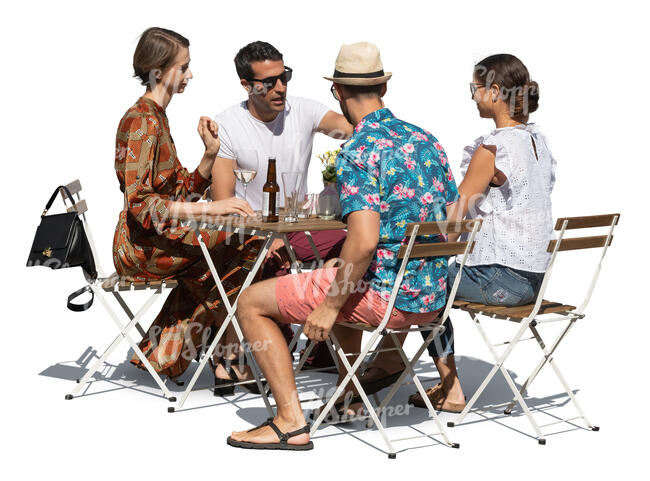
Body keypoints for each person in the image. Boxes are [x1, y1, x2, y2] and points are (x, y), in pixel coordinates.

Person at [226, 42, 458, 451]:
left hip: (387, 301)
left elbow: (365, 242)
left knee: (249, 302)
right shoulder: (428, 141)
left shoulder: (359, 150)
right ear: (383, 87)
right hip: (433, 301)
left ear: (337, 92)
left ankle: (290, 421)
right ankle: (349, 397)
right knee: (339, 266)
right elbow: (452, 225)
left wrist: (330, 308)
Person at [407, 54, 556, 412]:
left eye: (474, 89)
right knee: (431, 276)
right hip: (534, 281)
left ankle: (449, 389)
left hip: (501, 280)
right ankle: (399, 368)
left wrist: (409, 218)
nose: (473, 97)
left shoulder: (493, 148)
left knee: (420, 283)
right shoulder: (538, 143)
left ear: (493, 91)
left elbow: (456, 215)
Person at [113, 27, 257, 380]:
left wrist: (209, 156)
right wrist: (210, 209)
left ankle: (171, 354)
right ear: (158, 71)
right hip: (140, 248)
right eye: (184, 67)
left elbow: (178, 192)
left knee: (238, 250)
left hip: (158, 239)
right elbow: (141, 204)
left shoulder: (157, 117)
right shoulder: (141, 122)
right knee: (242, 248)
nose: (190, 75)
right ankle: (222, 356)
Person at [210, 41, 354, 376]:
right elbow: (222, 201)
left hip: (300, 227)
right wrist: (264, 237)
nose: (280, 87)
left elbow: (358, 130)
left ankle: (321, 344)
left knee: (356, 244)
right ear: (247, 85)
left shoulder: (303, 110)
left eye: (284, 76)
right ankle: (258, 348)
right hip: (251, 234)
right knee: (266, 259)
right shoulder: (229, 124)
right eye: (269, 82)